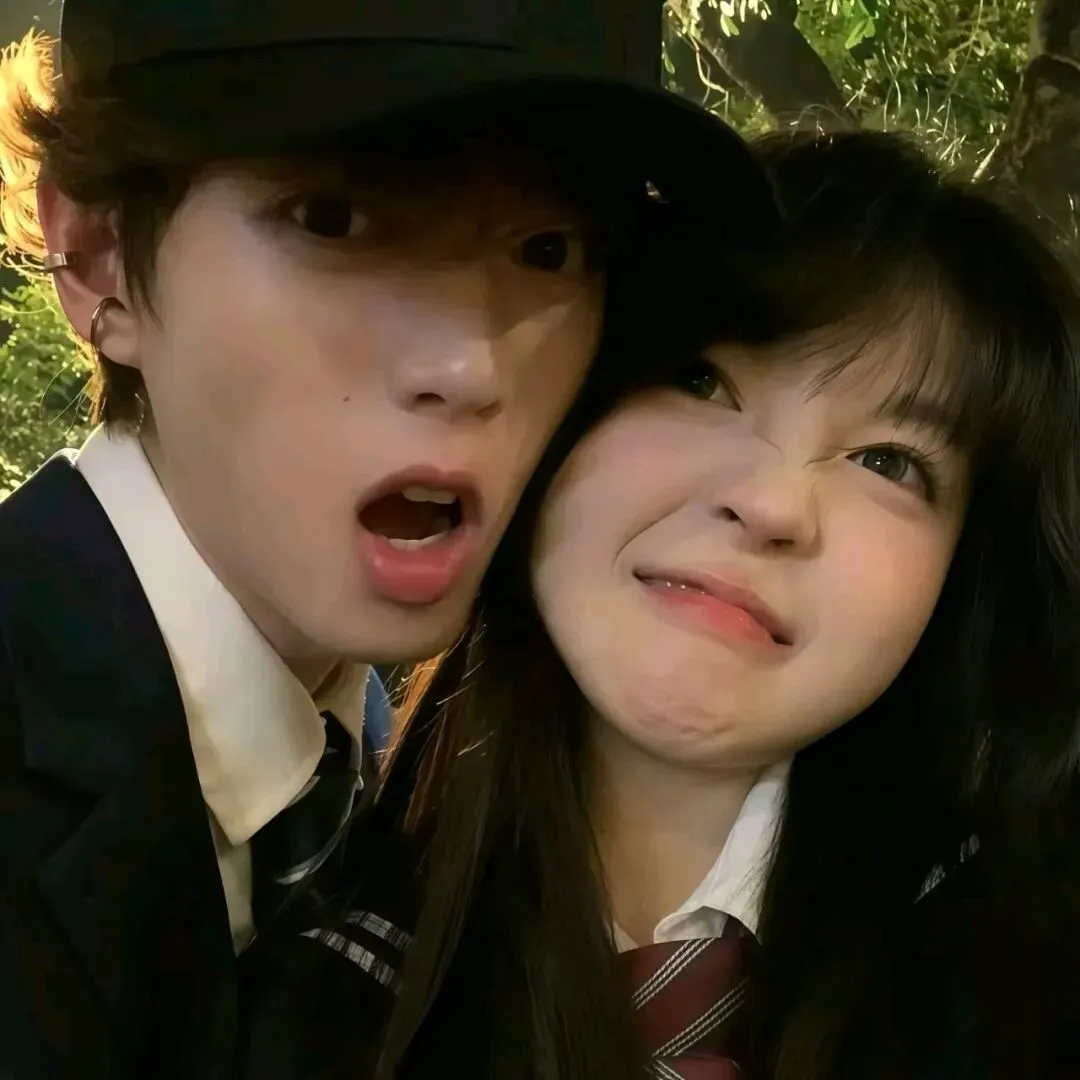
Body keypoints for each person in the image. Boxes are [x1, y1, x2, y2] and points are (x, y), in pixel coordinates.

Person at [0, 2, 779, 1077]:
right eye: (332, 219)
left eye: (547, 250)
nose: (470, 367)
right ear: (96, 258)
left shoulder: (384, 764)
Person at [237, 130, 1080, 1080]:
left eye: (889, 462)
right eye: (702, 381)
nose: (771, 504)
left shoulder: (1029, 988)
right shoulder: (277, 988)